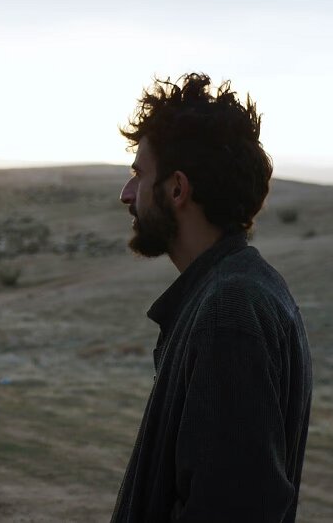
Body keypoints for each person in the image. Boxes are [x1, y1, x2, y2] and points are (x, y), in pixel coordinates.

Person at [112, 74, 312, 522]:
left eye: (139, 175)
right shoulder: (238, 290)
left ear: (177, 189)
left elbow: (233, 508)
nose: (126, 194)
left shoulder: (230, 310)